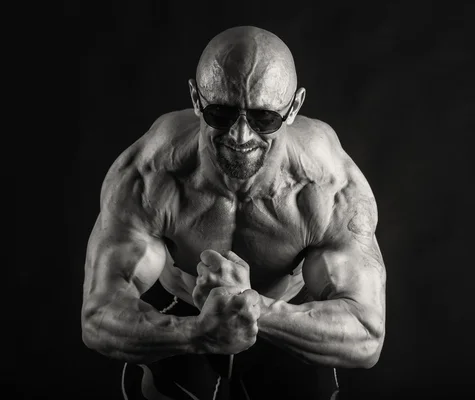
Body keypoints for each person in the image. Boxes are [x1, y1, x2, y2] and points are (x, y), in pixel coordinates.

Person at [81, 25, 386, 400]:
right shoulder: (150, 174)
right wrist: (197, 332)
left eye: (264, 119)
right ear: (196, 98)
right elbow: (98, 318)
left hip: (285, 316)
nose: (241, 136)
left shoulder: (328, 188)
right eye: (222, 114)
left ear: (294, 108)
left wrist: (252, 307)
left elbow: (366, 334)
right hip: (185, 313)